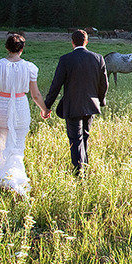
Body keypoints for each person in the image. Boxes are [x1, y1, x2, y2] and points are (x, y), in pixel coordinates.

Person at [0, 33, 49, 196]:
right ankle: (13, 178)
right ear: (22, 49)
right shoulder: (30, 67)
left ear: (7, 48)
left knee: (3, 141)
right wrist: (44, 109)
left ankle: (0, 176)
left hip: (1, 107)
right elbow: (35, 94)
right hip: (20, 107)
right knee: (17, 144)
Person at [43, 29, 109, 176]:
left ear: (72, 42)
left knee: (75, 138)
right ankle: (84, 166)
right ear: (87, 42)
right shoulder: (98, 58)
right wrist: (100, 101)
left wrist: (47, 106)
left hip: (72, 106)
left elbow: (56, 85)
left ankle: (79, 172)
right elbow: (104, 84)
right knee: (84, 136)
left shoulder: (65, 59)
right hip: (91, 105)